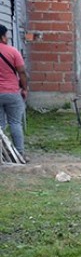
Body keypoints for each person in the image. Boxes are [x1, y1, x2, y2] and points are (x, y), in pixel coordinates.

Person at [0, 24, 29, 161]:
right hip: (12, 92)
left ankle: (1, 155)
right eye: (7, 35)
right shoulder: (12, 51)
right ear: (3, 37)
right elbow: (22, 72)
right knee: (15, 123)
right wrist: (24, 88)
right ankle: (19, 153)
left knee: (0, 126)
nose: (8, 38)